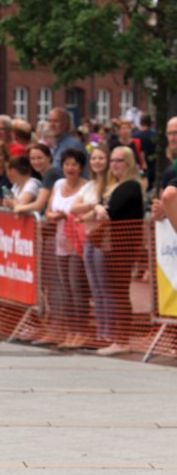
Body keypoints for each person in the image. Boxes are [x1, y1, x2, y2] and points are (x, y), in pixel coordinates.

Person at [94, 146, 145, 355]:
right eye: (113, 160)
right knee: (114, 291)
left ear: (129, 163)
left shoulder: (130, 185)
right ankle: (118, 337)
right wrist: (99, 208)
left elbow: (110, 210)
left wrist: (99, 208)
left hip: (124, 246)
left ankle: (122, 339)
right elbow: (101, 207)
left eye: (119, 161)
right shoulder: (113, 186)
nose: (114, 164)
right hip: (112, 245)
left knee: (119, 292)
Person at [45, 148, 88, 348]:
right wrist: (54, 216)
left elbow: (85, 211)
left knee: (76, 287)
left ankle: (82, 332)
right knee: (66, 289)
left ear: (81, 167)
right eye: (67, 164)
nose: (70, 168)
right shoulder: (58, 184)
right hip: (60, 242)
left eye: (74, 164)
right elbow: (49, 210)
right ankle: (70, 332)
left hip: (77, 243)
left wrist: (70, 216)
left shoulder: (86, 188)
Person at [70, 145, 112, 346]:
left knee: (105, 286)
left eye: (101, 158)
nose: (97, 162)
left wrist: (89, 213)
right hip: (89, 238)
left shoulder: (110, 185)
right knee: (95, 288)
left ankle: (109, 331)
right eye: (94, 158)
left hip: (103, 240)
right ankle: (101, 331)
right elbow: (74, 208)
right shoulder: (89, 186)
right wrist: (92, 208)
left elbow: (104, 209)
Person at [47, 107, 87, 172]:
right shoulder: (55, 145)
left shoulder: (74, 145)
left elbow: (84, 172)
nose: (52, 125)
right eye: (49, 121)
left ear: (66, 123)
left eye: (56, 121)